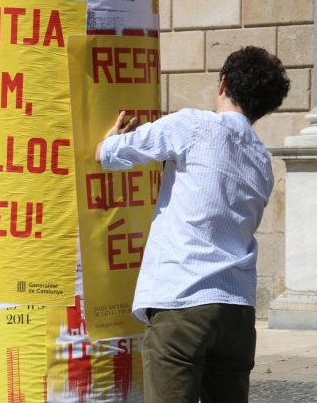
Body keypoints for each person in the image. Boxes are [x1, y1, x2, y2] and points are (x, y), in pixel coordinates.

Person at [95, 46, 290, 403]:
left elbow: (110, 154)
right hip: (236, 308)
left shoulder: (195, 124)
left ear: (223, 83)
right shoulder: (262, 160)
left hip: (182, 299)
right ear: (266, 108)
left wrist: (108, 139)